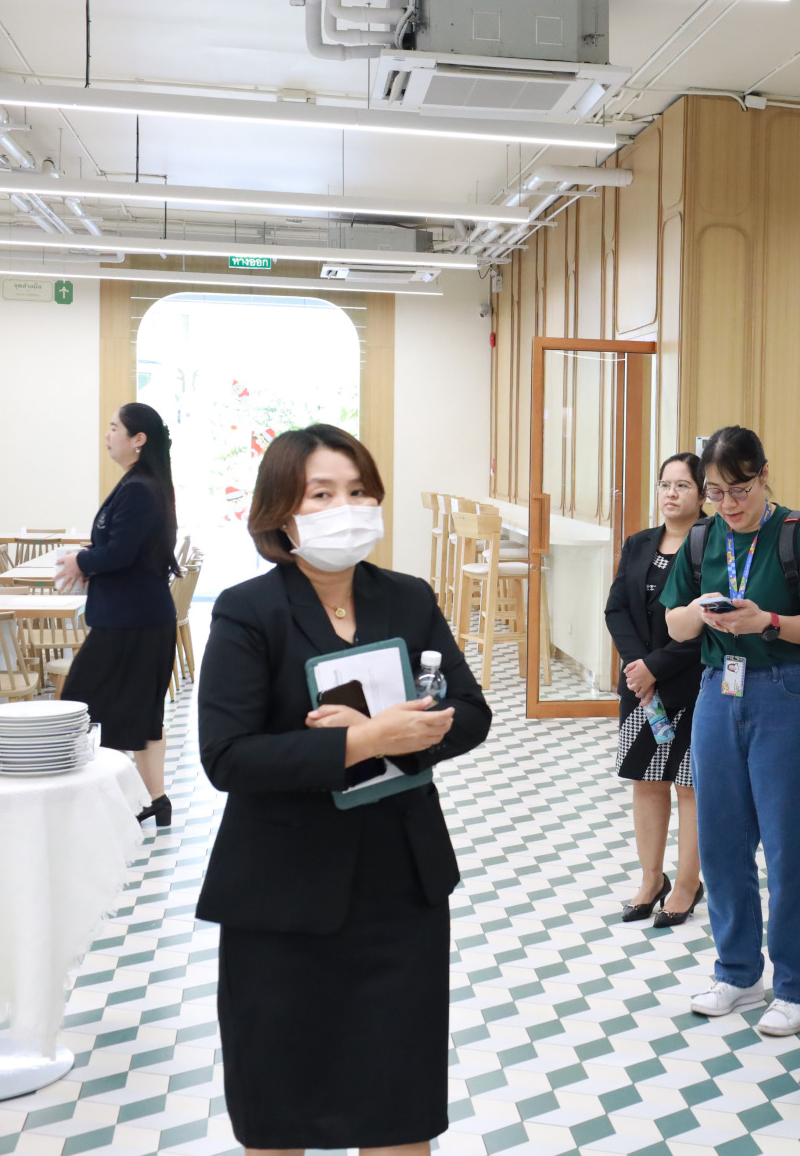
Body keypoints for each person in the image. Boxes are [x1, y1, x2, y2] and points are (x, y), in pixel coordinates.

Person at [195, 424, 493, 1156]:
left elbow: (471, 712)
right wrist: (361, 741)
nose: (346, 509)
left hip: (399, 886)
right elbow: (227, 757)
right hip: (281, 896)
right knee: (279, 1107)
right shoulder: (247, 610)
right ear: (280, 512)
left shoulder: (409, 598)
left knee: (397, 1103)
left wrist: (410, 733)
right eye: (321, 495)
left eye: (359, 492)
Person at [661, 425, 800, 1037]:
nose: (728, 504)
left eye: (739, 489)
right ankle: (737, 972)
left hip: (789, 692)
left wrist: (766, 621)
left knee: (789, 846)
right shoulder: (702, 538)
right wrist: (698, 612)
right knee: (720, 840)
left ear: (764, 475)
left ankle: (796, 985)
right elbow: (675, 625)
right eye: (715, 492)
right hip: (719, 691)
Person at [57, 403, 183, 825]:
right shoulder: (142, 483)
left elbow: (120, 552)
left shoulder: (140, 488)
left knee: (81, 705)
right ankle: (154, 800)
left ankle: (99, 799)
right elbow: (128, 552)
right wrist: (90, 563)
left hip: (134, 620)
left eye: (114, 428)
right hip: (136, 616)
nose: (107, 435)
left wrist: (81, 561)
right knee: (137, 712)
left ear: (138, 439)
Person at [604, 452, 708, 927]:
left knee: (689, 787)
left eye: (683, 485)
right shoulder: (639, 543)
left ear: (702, 494)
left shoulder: (714, 543)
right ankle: (652, 879)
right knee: (647, 782)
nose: (671, 493)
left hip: (695, 683)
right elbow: (616, 610)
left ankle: (686, 885)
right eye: (665, 484)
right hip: (641, 687)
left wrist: (656, 666)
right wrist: (637, 667)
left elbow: (710, 623)